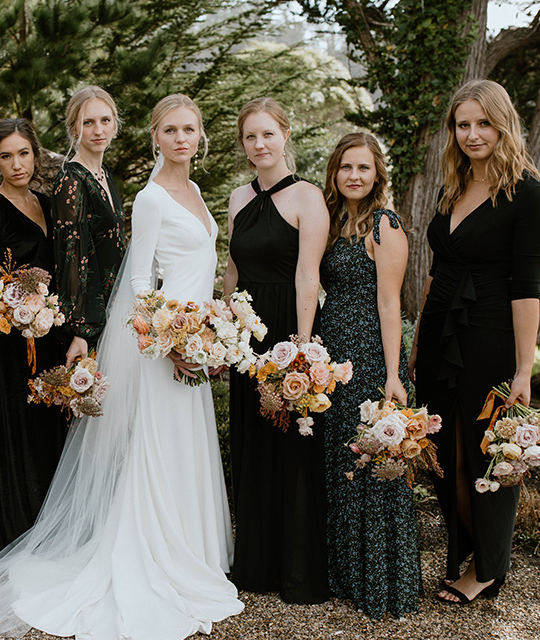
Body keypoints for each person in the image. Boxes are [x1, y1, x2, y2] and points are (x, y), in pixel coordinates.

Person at [0, 93, 244, 640]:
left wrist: (208, 330)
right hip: (127, 334)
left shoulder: (158, 187)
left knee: (172, 442)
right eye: (87, 121)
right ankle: (138, 547)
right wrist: (95, 331)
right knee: (146, 441)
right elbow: (89, 264)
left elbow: (114, 259)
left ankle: (185, 544)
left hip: (174, 332)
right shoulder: (92, 186)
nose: (180, 138)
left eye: (106, 119)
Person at [408, 79, 540, 604]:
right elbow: (436, 273)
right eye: (462, 124)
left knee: (488, 457)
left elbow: (525, 291)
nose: (472, 134)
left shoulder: (527, 196)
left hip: (490, 339)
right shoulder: (453, 187)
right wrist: (420, 337)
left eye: (482, 123)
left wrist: (522, 370)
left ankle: (490, 568)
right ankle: (463, 553)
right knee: (447, 454)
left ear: (503, 124)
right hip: (441, 337)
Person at [224, 97, 330, 603]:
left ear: (285, 134)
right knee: (251, 444)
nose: (259, 144)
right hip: (247, 336)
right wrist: (226, 328)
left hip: (288, 329)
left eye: (267, 134)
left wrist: (303, 346)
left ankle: (296, 570)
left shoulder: (307, 197)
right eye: (250, 136)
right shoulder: (237, 199)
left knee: (290, 445)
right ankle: (255, 566)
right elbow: (233, 270)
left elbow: (308, 274)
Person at [320, 132, 420, 617]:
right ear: (334, 174)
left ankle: (382, 583)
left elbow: (390, 303)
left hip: (373, 359)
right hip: (334, 359)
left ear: (377, 174)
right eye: (345, 168)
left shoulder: (385, 226)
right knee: (341, 464)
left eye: (363, 168)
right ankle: (344, 571)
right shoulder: (335, 223)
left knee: (373, 467)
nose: (354, 176)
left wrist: (394, 375)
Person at [0, 118, 67, 559]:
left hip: (50, 336)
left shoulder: (46, 202)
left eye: (23, 153)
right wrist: (21, 301)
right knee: (16, 430)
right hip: (9, 342)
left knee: (49, 429)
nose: (17, 163)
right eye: (6, 156)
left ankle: (51, 526)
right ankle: (13, 530)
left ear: (35, 154)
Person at [53, 85, 127, 366]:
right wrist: (82, 331)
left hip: (116, 304)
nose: (99, 130)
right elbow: (73, 258)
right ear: (74, 129)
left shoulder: (103, 173)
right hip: (94, 317)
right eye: (88, 122)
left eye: (105, 120)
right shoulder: (71, 180)